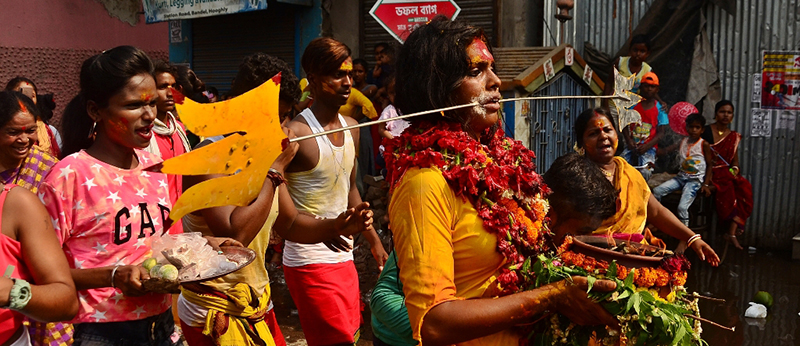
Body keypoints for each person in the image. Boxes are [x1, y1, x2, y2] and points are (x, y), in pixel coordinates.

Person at [377, 17, 622, 345]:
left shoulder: (501, 160)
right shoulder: (424, 183)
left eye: (491, 68)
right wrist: (549, 298)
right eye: (477, 71)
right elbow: (435, 323)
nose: (496, 81)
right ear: (437, 87)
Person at [177, 52, 372, 346]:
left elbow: (290, 223)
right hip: (213, 309)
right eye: (271, 117)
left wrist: (336, 226)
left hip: (256, 298)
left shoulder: (264, 151)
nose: (280, 127)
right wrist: (274, 171)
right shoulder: (211, 156)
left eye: (282, 117)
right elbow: (234, 235)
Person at [370, 151, 618, 345]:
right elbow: (383, 299)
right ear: (550, 215)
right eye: (580, 233)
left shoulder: (538, 238)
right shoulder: (487, 226)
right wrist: (457, 330)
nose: (580, 242)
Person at [43, 45, 182, 346]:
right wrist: (112, 276)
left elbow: (166, 243)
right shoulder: (70, 176)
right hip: (101, 332)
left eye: (153, 104)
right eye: (134, 106)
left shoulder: (157, 168)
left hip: (162, 327)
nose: (149, 116)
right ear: (96, 110)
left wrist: (203, 249)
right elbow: (41, 272)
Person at [282, 37, 388, 346]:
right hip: (307, 259)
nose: (347, 82)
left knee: (350, 336)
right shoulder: (296, 133)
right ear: (313, 79)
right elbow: (279, 203)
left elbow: (349, 189)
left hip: (343, 257)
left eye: (350, 74)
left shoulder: (352, 126)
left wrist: (373, 240)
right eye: (337, 75)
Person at [574, 107, 720, 266]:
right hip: (589, 260)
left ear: (616, 134)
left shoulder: (630, 174)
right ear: (581, 142)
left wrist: (692, 238)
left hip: (632, 258)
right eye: (593, 133)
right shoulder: (576, 175)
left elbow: (656, 212)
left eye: (608, 130)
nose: (603, 136)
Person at [0, 91, 78, 346]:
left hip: (42, 284)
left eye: (31, 130)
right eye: (13, 132)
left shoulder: (49, 170)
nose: (24, 139)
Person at [145, 60, 191, 234]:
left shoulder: (179, 129)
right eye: (163, 86)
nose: (170, 93)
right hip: (153, 225)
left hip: (181, 224)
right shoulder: (143, 135)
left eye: (173, 86)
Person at [701, 100, 753, 250]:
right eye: (722, 112)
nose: (725, 115)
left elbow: (735, 162)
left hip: (726, 172)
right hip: (708, 171)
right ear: (716, 114)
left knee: (744, 188)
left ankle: (731, 232)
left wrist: (734, 170)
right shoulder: (706, 131)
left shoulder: (733, 136)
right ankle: (728, 231)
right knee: (728, 187)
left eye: (729, 112)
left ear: (732, 116)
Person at [652, 114, 714, 226]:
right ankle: (657, 221)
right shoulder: (682, 141)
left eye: (697, 127)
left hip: (694, 181)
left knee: (682, 207)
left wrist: (705, 184)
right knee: (657, 191)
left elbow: (710, 165)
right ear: (687, 128)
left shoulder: (704, 144)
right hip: (680, 178)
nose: (694, 130)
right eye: (691, 127)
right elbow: (666, 150)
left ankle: (685, 235)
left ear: (702, 130)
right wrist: (652, 150)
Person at [620, 72, 668, 181]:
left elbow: (661, 133)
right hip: (631, 145)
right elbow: (623, 123)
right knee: (621, 166)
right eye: (646, 86)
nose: (649, 89)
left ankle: (641, 192)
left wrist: (647, 146)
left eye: (652, 87)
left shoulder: (660, 109)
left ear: (657, 90)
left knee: (646, 171)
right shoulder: (633, 104)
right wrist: (629, 140)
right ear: (641, 87)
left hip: (649, 148)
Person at [5, 77, 61, 158]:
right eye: (21, 93)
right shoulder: (2, 127)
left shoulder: (50, 131)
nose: (27, 99)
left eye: (32, 95)